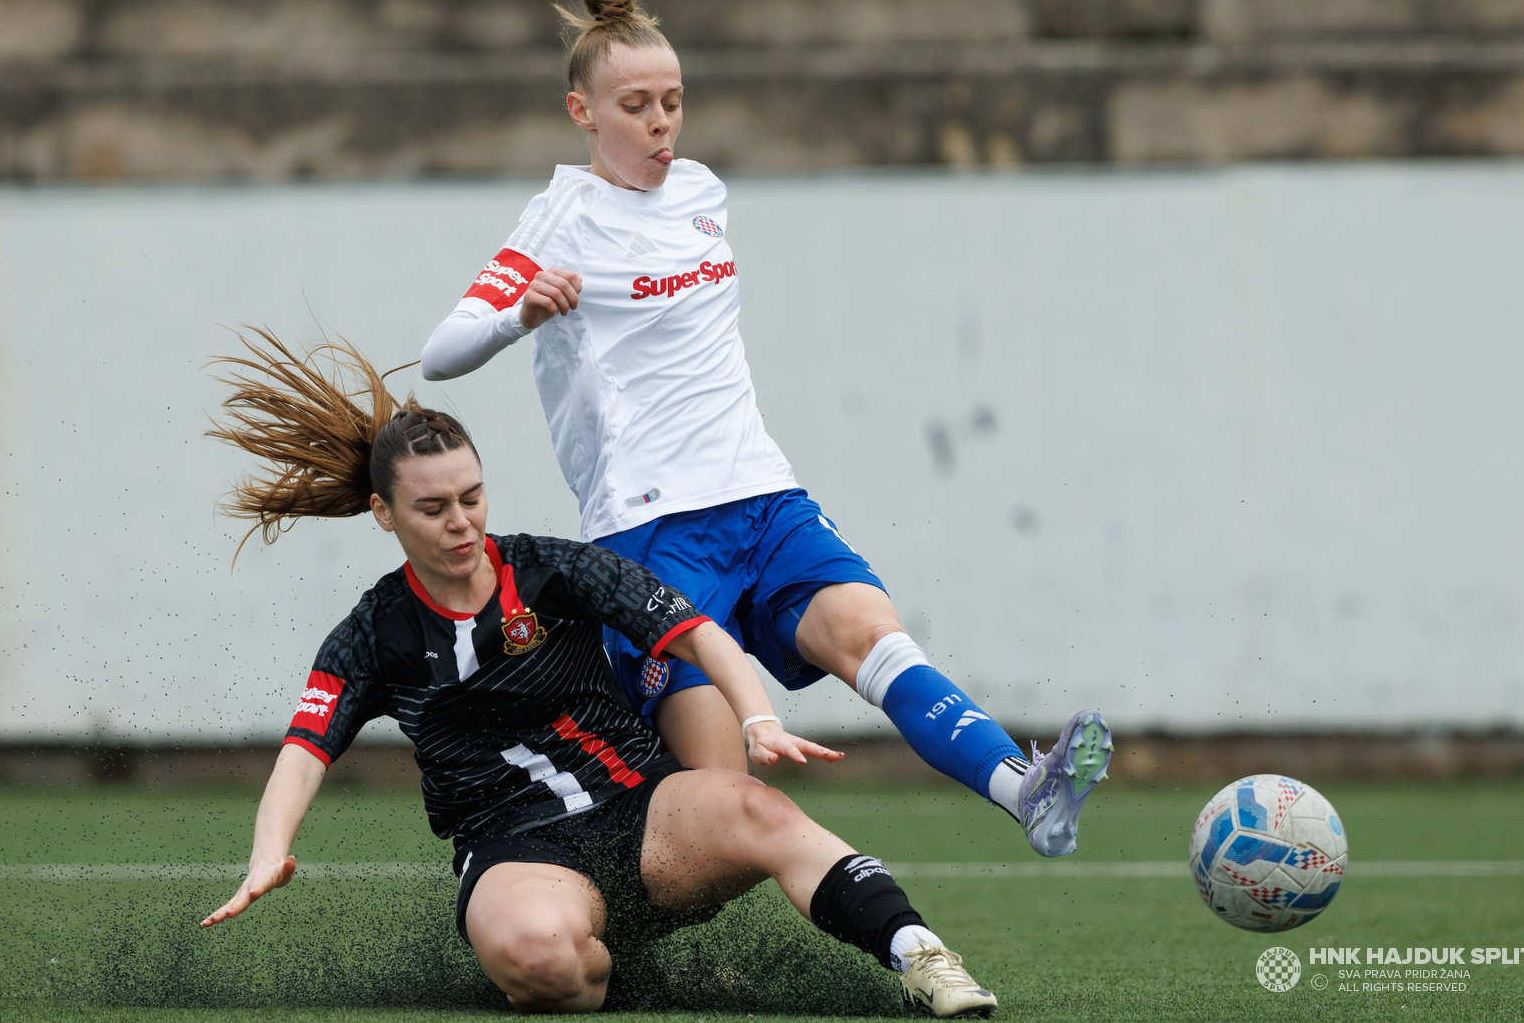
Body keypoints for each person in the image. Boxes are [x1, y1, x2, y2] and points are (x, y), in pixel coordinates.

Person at [419, 0, 1112, 858]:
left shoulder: (702, 192)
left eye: (673, 102)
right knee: (723, 797)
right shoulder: (559, 221)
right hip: (649, 531)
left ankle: (1027, 794)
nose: (661, 122)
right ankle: (627, 919)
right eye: (635, 105)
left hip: (762, 496)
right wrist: (521, 315)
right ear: (582, 111)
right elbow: (444, 349)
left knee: (874, 637)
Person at [198, 329, 998, 1017]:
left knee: (760, 810)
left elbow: (694, 633)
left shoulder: (552, 570)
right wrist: (270, 848)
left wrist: (756, 714)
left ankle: (921, 955)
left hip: (644, 813)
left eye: (472, 498)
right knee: (541, 961)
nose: (460, 523)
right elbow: (307, 747)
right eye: (432, 508)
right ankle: (635, 983)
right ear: (385, 515)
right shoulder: (374, 633)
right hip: (514, 850)